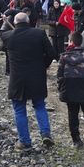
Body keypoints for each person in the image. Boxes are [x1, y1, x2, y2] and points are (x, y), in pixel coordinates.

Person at [6, 12, 57, 151]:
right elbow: (52, 53)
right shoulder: (39, 33)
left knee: (19, 109)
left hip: (18, 79)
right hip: (37, 75)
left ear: (15, 23)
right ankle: (46, 133)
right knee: (40, 105)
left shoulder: (8, 36)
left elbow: (4, 30)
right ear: (28, 21)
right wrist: (44, 65)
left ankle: (25, 142)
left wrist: (7, 17)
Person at [57, 31, 84, 151]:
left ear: (71, 42)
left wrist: (61, 89)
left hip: (69, 88)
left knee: (72, 114)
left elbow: (59, 76)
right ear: (81, 42)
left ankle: (76, 140)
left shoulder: (64, 57)